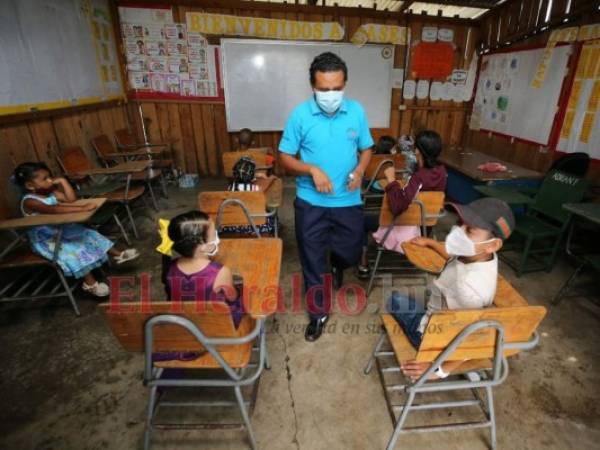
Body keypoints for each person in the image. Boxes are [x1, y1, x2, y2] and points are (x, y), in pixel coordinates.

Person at [279, 52, 373, 341]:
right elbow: (285, 157)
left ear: (344, 84)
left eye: (336, 88)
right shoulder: (300, 115)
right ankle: (318, 313)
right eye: (324, 89)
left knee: (351, 250)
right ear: (313, 87)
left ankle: (337, 263)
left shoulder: (356, 111)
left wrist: (359, 170)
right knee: (312, 260)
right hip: (311, 203)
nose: (331, 95)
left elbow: (367, 149)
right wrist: (310, 170)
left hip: (348, 199)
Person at [388, 198, 515, 380]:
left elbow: (475, 334)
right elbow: (455, 256)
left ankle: (455, 362)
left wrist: (439, 371)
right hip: (447, 317)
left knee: (394, 300)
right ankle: (464, 364)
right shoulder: (481, 255)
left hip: (432, 337)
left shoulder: (468, 288)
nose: (459, 232)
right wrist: (432, 244)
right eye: (460, 224)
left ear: (493, 244)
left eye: (470, 230)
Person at [12, 162, 139, 297]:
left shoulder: (51, 193)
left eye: (50, 176)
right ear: (30, 185)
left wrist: (62, 180)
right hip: (45, 238)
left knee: (89, 234)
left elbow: (71, 199)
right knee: (73, 249)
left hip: (60, 229)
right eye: (45, 179)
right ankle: (90, 284)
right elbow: (53, 210)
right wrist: (82, 209)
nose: (50, 180)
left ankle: (118, 255)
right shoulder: (29, 201)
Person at [358, 130, 447, 277]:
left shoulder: (419, 177)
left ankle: (363, 263)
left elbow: (397, 206)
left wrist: (392, 180)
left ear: (418, 151)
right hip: (425, 224)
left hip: (402, 224)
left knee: (361, 220)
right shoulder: (442, 171)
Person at [158, 211, 242, 327]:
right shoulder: (219, 272)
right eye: (214, 234)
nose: (217, 236)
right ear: (203, 246)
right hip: (215, 326)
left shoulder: (169, 267)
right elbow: (233, 298)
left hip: (184, 325)